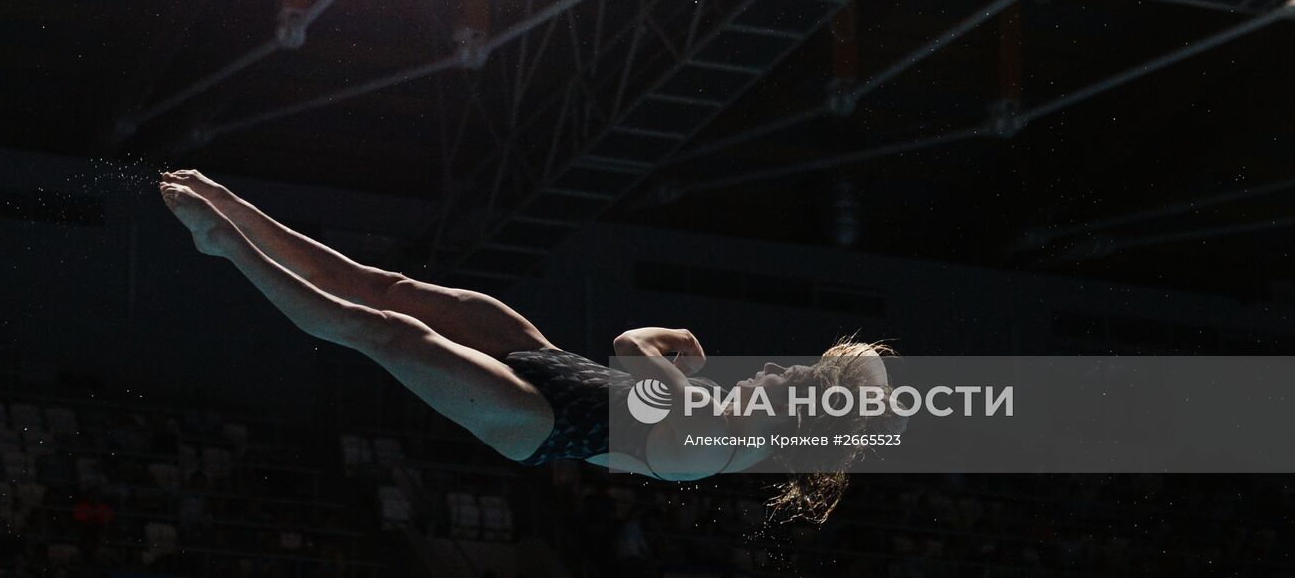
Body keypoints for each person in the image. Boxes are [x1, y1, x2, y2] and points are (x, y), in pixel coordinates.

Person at [159, 171, 891, 521]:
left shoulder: (712, 440)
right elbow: (628, 364)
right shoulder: (717, 410)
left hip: (537, 418)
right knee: (386, 286)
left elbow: (630, 344)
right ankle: (233, 206)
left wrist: (672, 345)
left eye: (791, 375)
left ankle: (220, 244)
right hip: (554, 362)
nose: (772, 366)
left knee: (382, 331)